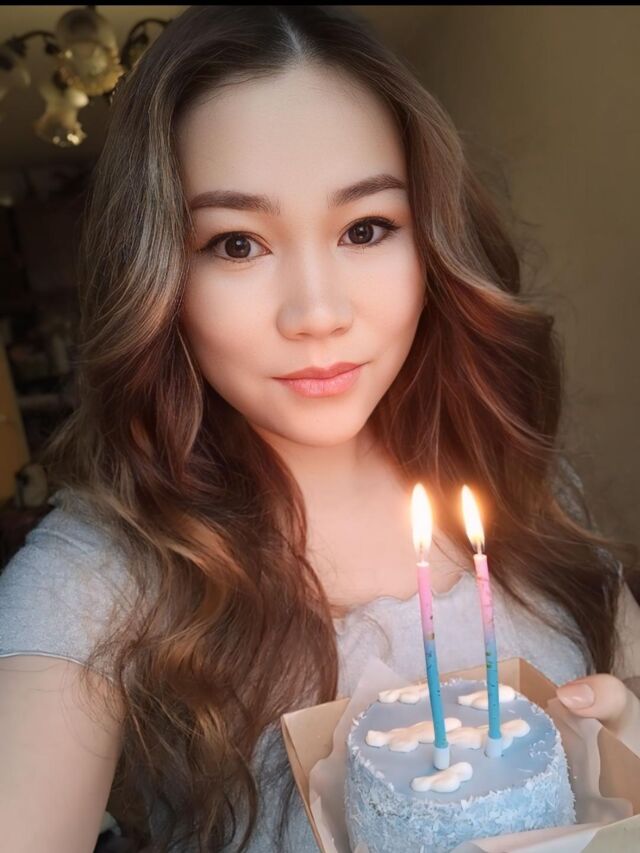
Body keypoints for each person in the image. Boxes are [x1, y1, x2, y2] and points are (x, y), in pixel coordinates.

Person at [1, 5, 639, 852]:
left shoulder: (523, 482)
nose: (317, 313)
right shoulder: (99, 571)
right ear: (157, 278)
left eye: (365, 229)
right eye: (236, 244)